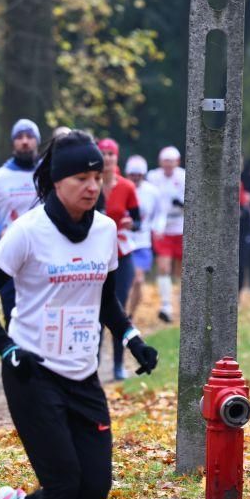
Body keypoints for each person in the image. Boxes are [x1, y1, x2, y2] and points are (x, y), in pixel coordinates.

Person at [0, 131, 158, 499]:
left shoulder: (105, 231)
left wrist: (132, 338)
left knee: (93, 490)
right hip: (32, 372)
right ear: (55, 180)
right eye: (81, 178)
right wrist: (7, 348)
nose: (92, 186)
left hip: (82, 373)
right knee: (64, 481)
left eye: (97, 177)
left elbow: (106, 300)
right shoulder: (27, 231)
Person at [0, 119, 41, 326]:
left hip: (42, 253)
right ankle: (11, 347)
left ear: (37, 141)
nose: (25, 141)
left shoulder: (48, 174)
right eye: (19, 137)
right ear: (13, 142)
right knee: (11, 314)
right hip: (9, 254)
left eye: (29, 136)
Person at [97, 138, 140, 380]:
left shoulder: (127, 187)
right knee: (95, 311)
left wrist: (131, 223)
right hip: (96, 253)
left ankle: (118, 364)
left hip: (122, 254)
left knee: (119, 309)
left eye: (110, 154)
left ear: (117, 157)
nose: (107, 158)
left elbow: (138, 219)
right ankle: (92, 365)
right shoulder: (90, 183)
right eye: (103, 153)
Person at [146, 146, 186, 322]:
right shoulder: (153, 177)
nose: (168, 165)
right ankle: (166, 306)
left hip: (181, 224)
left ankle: (183, 303)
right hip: (161, 224)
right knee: (163, 266)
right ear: (160, 162)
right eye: (165, 161)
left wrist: (182, 203)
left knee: (181, 269)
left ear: (177, 162)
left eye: (171, 161)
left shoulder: (184, 176)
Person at [124, 155, 163, 321]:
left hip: (142, 242)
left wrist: (157, 228)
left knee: (138, 280)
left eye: (139, 175)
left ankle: (130, 315)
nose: (135, 178)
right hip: (122, 241)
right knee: (124, 281)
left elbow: (159, 213)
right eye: (132, 174)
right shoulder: (121, 188)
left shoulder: (152, 192)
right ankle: (120, 311)